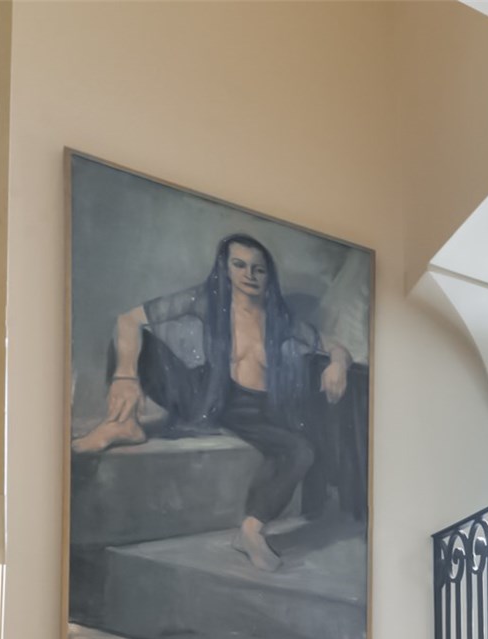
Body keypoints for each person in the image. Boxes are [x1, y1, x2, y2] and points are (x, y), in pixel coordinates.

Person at [74, 233, 350, 570]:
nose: (249, 275)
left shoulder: (281, 318)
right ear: (225, 268)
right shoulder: (207, 300)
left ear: (268, 276)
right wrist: (126, 376)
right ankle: (123, 423)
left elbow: (335, 346)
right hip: (208, 392)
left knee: (300, 450)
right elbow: (128, 320)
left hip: (253, 409)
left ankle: (250, 531)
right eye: (239, 265)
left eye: (259, 269)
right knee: (137, 339)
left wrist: (338, 364)